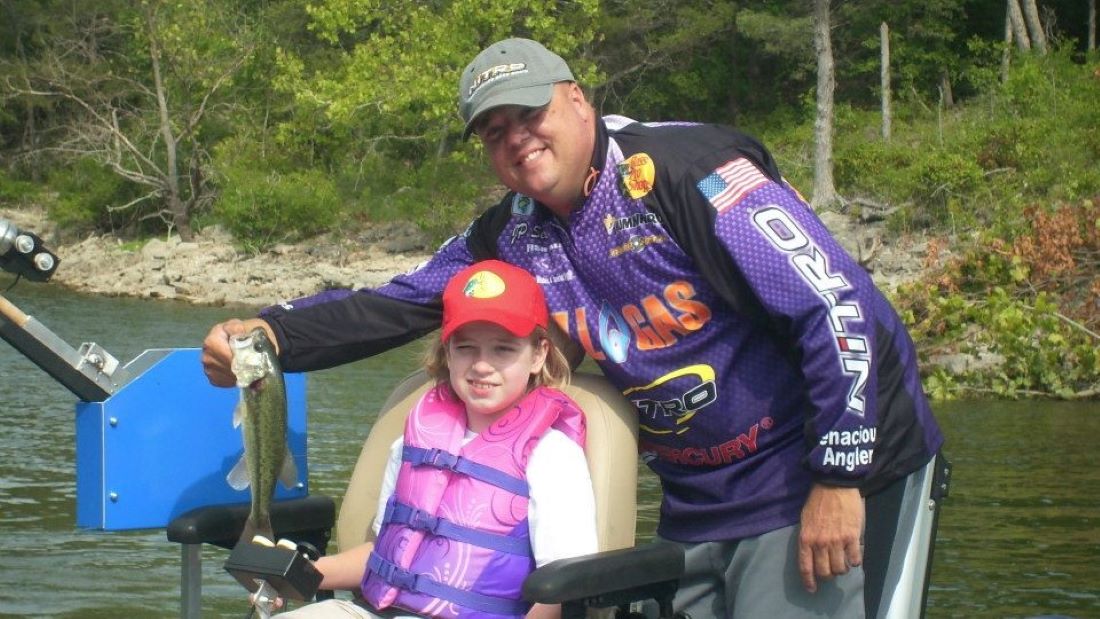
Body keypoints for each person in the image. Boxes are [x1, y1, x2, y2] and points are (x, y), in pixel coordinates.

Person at [204, 38, 945, 618]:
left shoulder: (689, 170)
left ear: (579, 100)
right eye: (494, 132)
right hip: (698, 495)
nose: (517, 139)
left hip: (824, 470)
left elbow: (836, 303)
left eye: (531, 114)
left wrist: (839, 476)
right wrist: (270, 333)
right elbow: (397, 301)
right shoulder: (513, 231)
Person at [273, 260, 597, 618]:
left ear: (538, 354)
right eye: (465, 347)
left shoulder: (553, 457)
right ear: (446, 352)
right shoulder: (413, 443)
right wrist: (294, 573)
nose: (482, 365)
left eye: (503, 349)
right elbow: (385, 555)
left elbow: (560, 591)